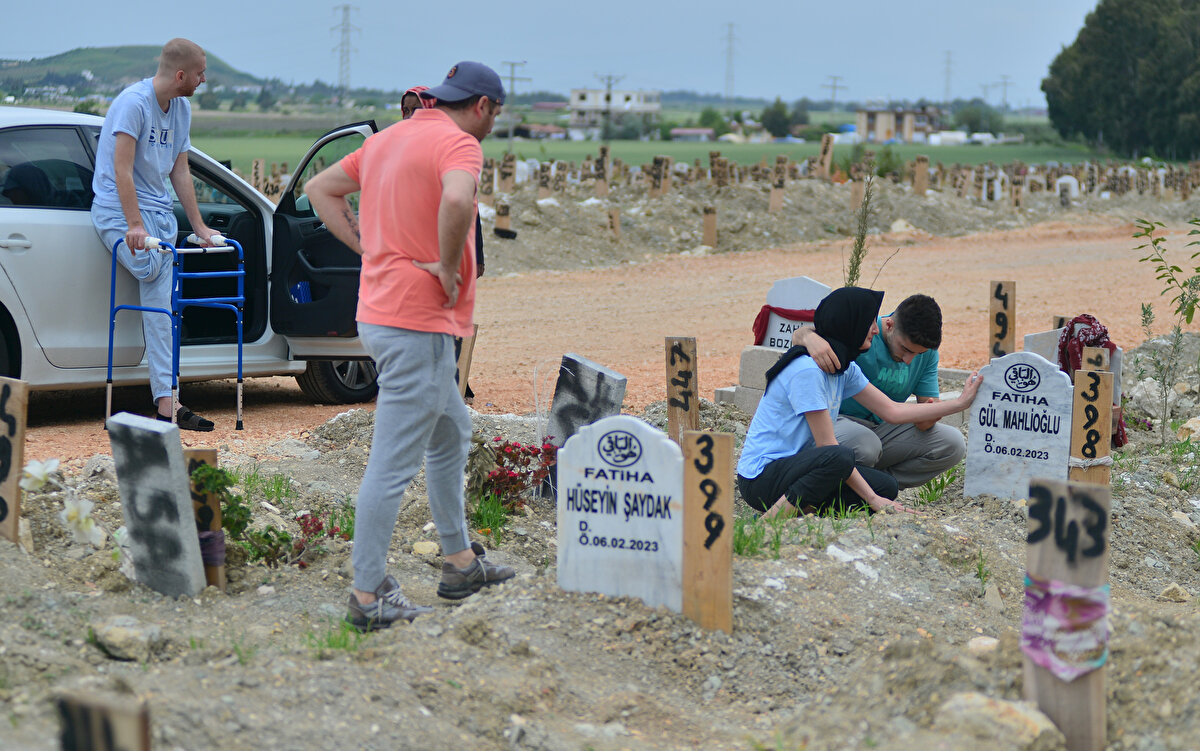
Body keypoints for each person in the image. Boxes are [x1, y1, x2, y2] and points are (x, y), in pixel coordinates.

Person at [306, 61, 513, 631]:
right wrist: (448, 267)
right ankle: (368, 596)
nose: (494, 122)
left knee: (452, 433)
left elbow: (319, 190)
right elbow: (455, 202)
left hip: (382, 315)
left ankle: (460, 562)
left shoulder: (386, 141)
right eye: (496, 112)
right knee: (391, 466)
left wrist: (365, 245)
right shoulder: (459, 146)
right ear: (482, 106)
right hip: (417, 323)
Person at [737, 287, 981, 519]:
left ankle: (809, 508)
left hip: (807, 466)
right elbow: (828, 447)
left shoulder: (845, 367)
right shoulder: (808, 370)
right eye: (869, 322)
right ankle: (770, 521)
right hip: (762, 479)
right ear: (849, 324)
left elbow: (892, 411)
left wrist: (960, 403)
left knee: (885, 486)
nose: (875, 330)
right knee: (841, 458)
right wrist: (872, 499)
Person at [91, 38, 221, 430]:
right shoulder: (133, 104)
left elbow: (180, 171)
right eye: (200, 73)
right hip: (118, 210)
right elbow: (122, 169)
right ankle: (166, 401)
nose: (203, 80)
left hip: (159, 213)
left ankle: (167, 402)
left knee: (162, 311)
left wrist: (198, 228)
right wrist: (134, 225)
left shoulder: (182, 107)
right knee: (156, 277)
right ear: (181, 75)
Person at [793, 294, 964, 489]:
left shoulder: (928, 354)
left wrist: (930, 415)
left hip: (883, 426)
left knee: (952, 443)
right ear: (889, 325)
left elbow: (923, 422)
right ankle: (847, 486)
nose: (909, 360)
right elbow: (801, 334)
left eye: (919, 354)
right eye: (905, 349)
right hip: (835, 423)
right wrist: (808, 337)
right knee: (866, 445)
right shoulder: (864, 334)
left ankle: (875, 485)